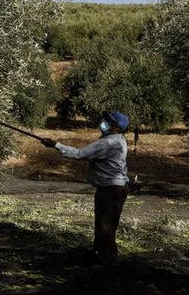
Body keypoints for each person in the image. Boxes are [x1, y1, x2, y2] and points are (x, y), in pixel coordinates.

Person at [42, 111, 130, 265]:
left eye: (108, 121)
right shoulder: (119, 140)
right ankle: (102, 255)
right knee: (108, 225)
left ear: (116, 127)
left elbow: (79, 154)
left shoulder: (107, 142)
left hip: (110, 189)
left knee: (104, 226)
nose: (103, 122)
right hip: (118, 188)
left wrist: (55, 145)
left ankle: (106, 260)